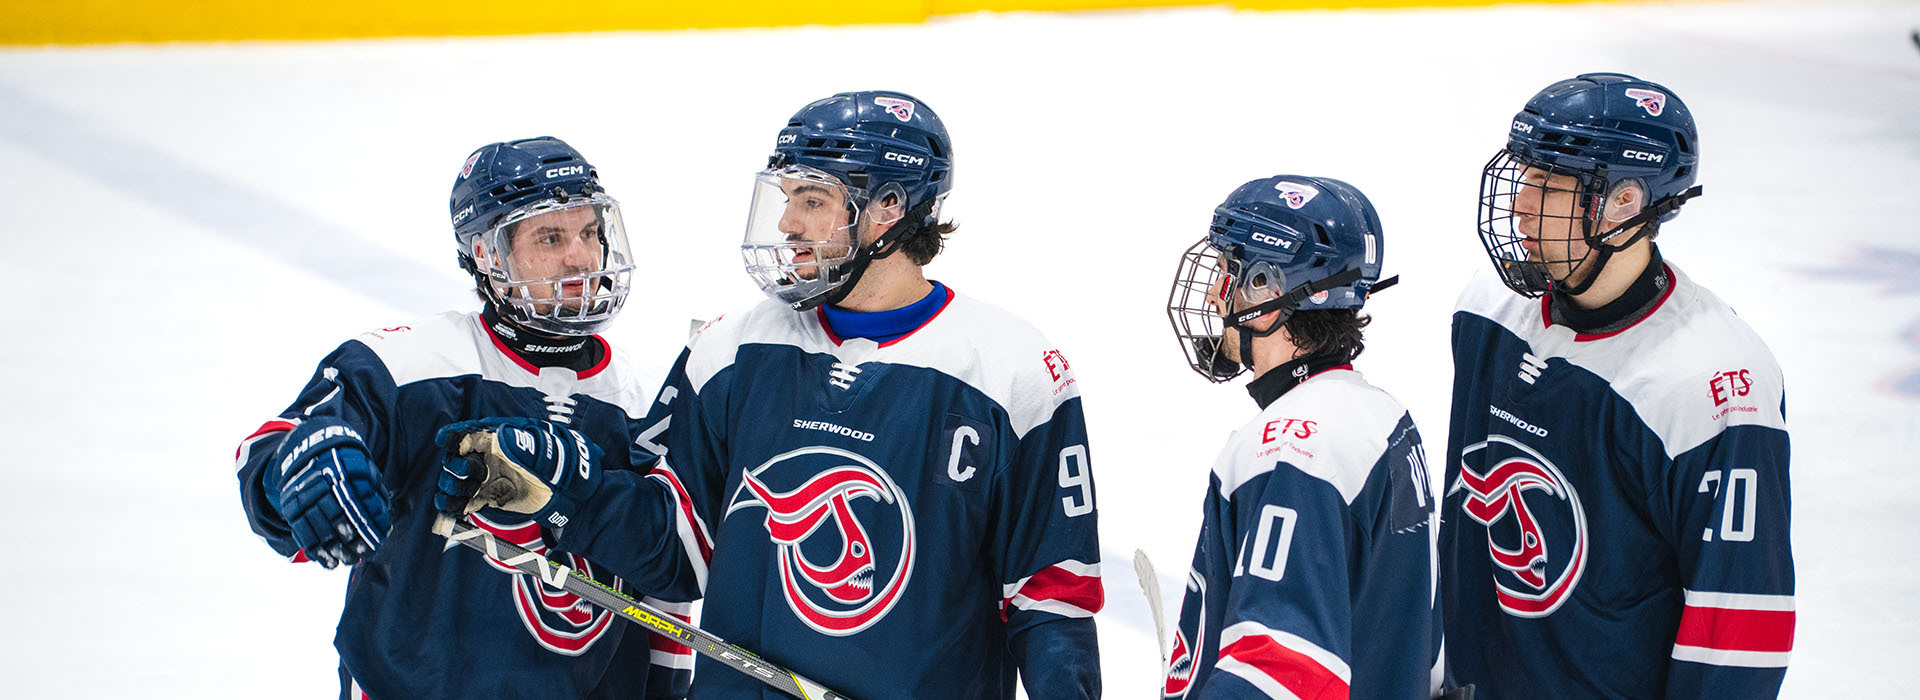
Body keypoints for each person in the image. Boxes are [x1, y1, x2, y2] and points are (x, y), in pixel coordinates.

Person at [433, 90, 1105, 700]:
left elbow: (1051, 600)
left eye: (811, 199)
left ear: (890, 210)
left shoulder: (1012, 372)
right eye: (785, 198)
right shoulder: (730, 350)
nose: (786, 222)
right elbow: (676, 554)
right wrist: (563, 495)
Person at [232, 137, 692, 699]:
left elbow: (673, 582)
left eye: (590, 232)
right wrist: (296, 474)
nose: (580, 258)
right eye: (550, 237)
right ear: (487, 254)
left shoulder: (653, 399)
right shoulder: (407, 368)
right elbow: (275, 457)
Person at [1442, 73, 1794, 698]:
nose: (1521, 204)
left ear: (1625, 203)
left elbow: (1737, 628)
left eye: (1548, 184)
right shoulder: (1487, 307)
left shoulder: (1713, 386)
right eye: (1522, 174)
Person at [1161, 175, 1442, 699]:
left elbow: (1278, 673)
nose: (1210, 295)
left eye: (1226, 273)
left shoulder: (1292, 452)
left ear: (1267, 293)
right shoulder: (1383, 418)